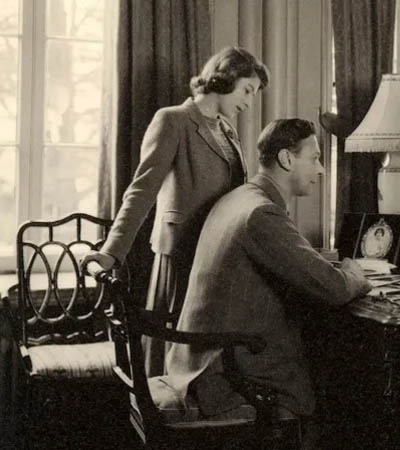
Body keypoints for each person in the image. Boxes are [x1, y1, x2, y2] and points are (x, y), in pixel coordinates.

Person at [161, 118, 371, 449]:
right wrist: (356, 273)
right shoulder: (262, 213)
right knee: (343, 392)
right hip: (226, 378)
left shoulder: (240, 197)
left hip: (197, 361)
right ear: (287, 159)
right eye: (314, 158)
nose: (320, 170)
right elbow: (335, 288)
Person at [80, 47, 270, 375]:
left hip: (215, 256)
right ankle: (162, 418)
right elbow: (141, 191)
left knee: (206, 357)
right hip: (181, 254)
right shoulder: (173, 120)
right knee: (171, 355)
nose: (249, 103)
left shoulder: (227, 131)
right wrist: (111, 252)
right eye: (247, 91)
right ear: (226, 78)